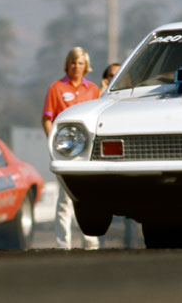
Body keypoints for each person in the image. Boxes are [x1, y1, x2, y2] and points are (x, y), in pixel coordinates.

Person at [42, 46, 101, 250]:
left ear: (86, 66)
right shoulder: (56, 88)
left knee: (91, 197)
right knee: (64, 199)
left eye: (80, 63)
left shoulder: (93, 90)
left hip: (88, 153)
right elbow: (47, 118)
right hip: (66, 152)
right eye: (73, 62)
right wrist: (55, 144)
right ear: (67, 64)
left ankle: (91, 240)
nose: (76, 66)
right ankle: (63, 243)